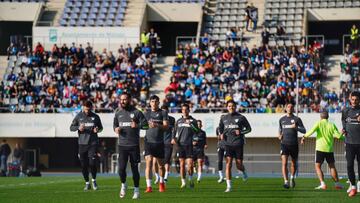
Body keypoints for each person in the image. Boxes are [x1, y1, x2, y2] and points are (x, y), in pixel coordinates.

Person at [113, 92, 148, 199]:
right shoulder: (118, 113)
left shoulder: (137, 112)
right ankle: (123, 185)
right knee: (121, 169)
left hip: (134, 145)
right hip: (122, 146)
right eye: (121, 99)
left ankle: (136, 190)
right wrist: (116, 129)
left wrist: (137, 125)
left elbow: (146, 126)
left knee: (134, 169)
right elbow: (115, 126)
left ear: (129, 100)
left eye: (125, 99)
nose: (123, 101)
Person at [301, 111, 344, 190]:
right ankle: (337, 184)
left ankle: (323, 184)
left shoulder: (319, 123)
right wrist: (345, 137)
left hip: (320, 148)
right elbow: (338, 136)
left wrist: (304, 136)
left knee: (317, 166)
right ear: (328, 117)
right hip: (329, 149)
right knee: (332, 166)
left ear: (320, 117)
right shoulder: (332, 124)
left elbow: (311, 131)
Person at [218, 100, 252, 192]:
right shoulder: (223, 118)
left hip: (238, 143)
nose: (231, 107)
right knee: (228, 164)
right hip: (228, 144)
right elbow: (220, 128)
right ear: (227, 107)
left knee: (239, 165)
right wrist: (221, 134)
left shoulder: (241, 117)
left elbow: (249, 129)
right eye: (229, 106)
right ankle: (229, 186)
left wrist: (240, 132)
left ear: (235, 107)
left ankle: (243, 172)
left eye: (232, 106)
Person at [70, 101, 103, 191]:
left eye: (89, 109)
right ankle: (87, 183)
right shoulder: (78, 116)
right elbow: (71, 128)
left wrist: (97, 130)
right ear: (83, 107)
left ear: (91, 107)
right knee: (84, 165)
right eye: (86, 109)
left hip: (93, 143)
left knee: (92, 163)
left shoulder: (95, 117)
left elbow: (101, 128)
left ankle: (94, 180)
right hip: (82, 144)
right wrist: (78, 128)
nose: (87, 111)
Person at [143, 95, 169, 193]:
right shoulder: (146, 113)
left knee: (161, 166)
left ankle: (161, 183)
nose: (154, 103)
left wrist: (157, 125)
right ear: (150, 103)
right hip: (148, 142)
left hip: (159, 142)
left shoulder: (163, 113)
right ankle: (149, 187)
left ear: (158, 103)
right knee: (148, 163)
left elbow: (166, 127)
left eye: (155, 101)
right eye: (152, 101)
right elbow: (142, 125)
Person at [171, 103, 199, 189]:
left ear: (189, 110)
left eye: (186, 110)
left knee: (190, 164)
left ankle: (190, 179)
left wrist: (190, 124)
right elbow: (174, 131)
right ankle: (183, 182)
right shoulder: (178, 121)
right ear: (182, 111)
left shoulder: (193, 121)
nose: (185, 111)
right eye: (183, 110)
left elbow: (197, 130)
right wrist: (173, 138)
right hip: (180, 145)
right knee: (182, 164)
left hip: (189, 145)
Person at [278, 103, 306, 189]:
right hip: (284, 144)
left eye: (291, 107)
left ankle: (292, 178)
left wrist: (296, 127)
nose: (290, 108)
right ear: (286, 108)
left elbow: (304, 130)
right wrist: (279, 135)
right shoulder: (281, 119)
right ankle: (286, 182)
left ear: (293, 109)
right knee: (284, 163)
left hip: (294, 144)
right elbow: (279, 130)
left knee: (293, 164)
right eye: (288, 107)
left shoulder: (297, 119)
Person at [341, 91, 360, 197]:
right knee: (349, 165)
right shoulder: (345, 111)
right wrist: (343, 129)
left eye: (356, 99)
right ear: (350, 99)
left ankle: (359, 183)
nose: (354, 101)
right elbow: (343, 121)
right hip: (349, 143)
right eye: (352, 99)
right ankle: (353, 186)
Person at [161, 105, 176, 182]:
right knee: (159, 161)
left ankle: (166, 176)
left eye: (165, 110)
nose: (164, 112)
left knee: (166, 159)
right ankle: (159, 176)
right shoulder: (159, 119)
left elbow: (174, 130)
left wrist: (173, 138)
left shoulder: (172, 119)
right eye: (162, 110)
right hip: (159, 142)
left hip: (168, 142)